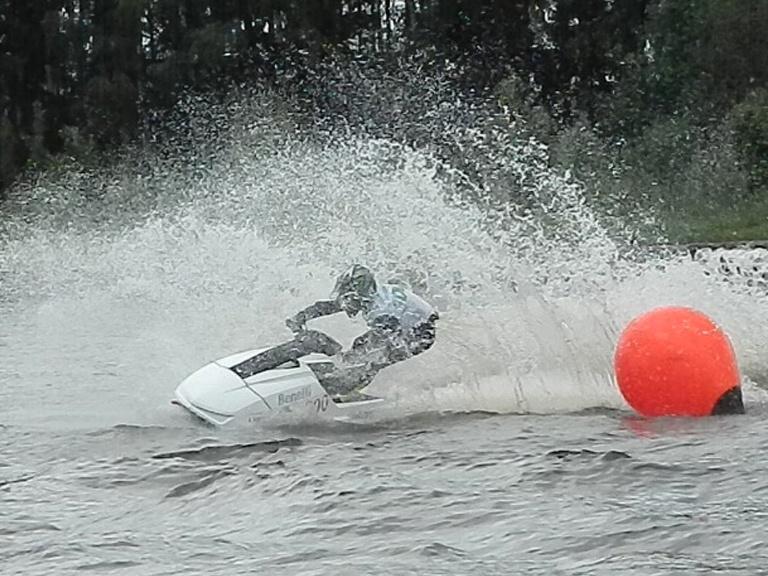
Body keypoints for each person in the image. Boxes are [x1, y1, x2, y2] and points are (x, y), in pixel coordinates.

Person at [285, 264, 439, 396]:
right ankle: (349, 380)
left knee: (373, 355)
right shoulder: (369, 294)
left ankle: (346, 389)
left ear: (359, 296)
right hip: (411, 323)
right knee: (361, 349)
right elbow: (331, 306)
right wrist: (301, 317)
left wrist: (354, 364)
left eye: (348, 299)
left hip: (420, 334)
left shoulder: (379, 310)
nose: (345, 305)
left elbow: (386, 341)